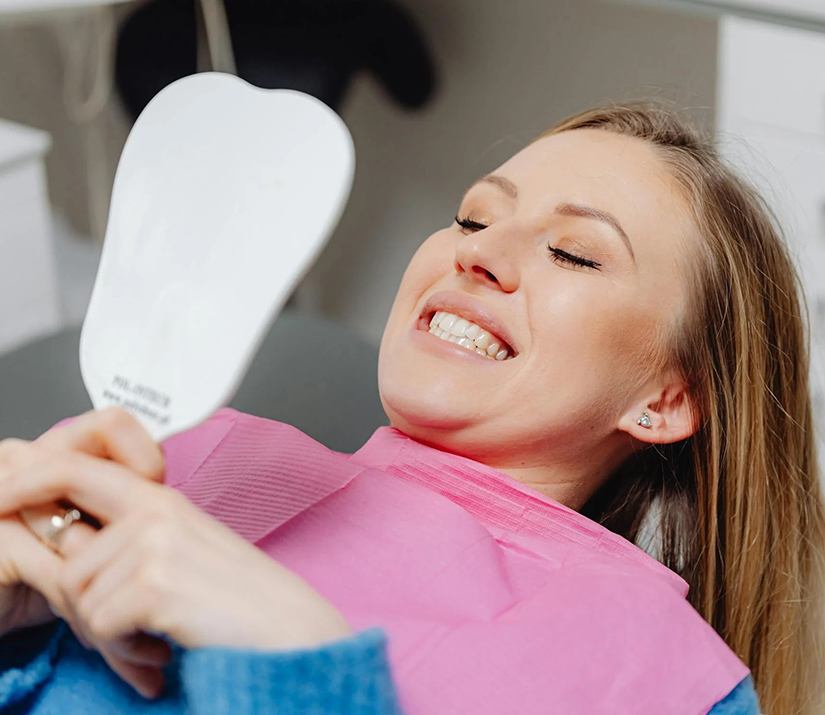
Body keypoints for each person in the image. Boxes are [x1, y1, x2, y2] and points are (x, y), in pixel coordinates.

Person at [1, 101, 823, 714]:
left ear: (665, 398)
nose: (478, 251)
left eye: (573, 252)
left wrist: (304, 670)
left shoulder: (664, 677)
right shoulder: (173, 453)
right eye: (472, 215)